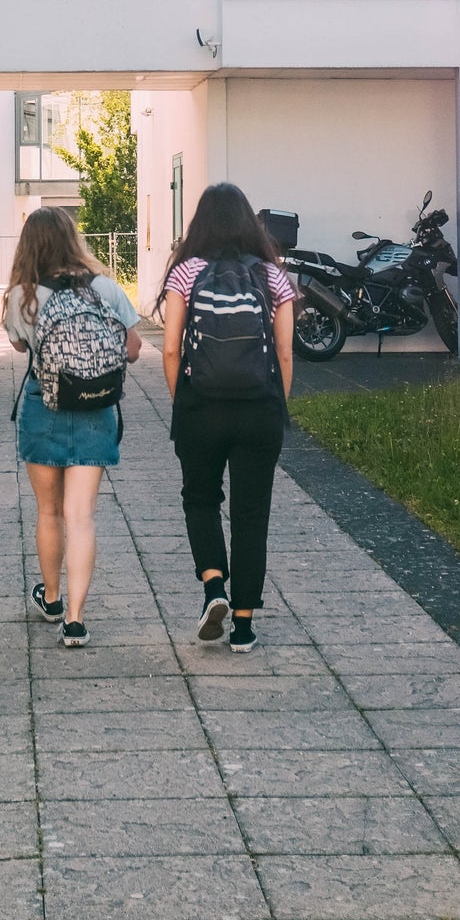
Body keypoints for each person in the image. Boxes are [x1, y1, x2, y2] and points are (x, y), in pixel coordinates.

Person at [159, 183, 295, 653]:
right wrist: (277, 408)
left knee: (200, 498)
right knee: (252, 514)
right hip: (259, 409)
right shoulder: (273, 276)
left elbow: (171, 348)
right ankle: (242, 626)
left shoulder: (186, 272)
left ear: (200, 223)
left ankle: (214, 586)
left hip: (201, 406)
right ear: (248, 224)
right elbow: (283, 353)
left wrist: (184, 403)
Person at [3, 207, 142, 648]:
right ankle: (77, 620)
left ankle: (52, 599)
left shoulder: (22, 295)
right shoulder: (103, 287)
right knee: (80, 515)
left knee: (49, 511)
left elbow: (19, 344)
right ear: (72, 239)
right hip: (96, 408)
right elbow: (134, 349)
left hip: (42, 406)